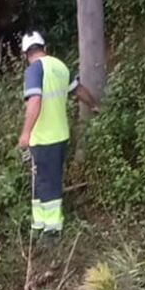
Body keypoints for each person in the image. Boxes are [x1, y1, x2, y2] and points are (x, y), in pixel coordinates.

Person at [17, 31, 99, 242]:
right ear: (44, 48)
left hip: (43, 138)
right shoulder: (60, 66)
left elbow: (35, 100)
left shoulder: (34, 70)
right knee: (41, 181)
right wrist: (94, 105)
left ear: (25, 54)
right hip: (60, 135)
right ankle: (39, 225)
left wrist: (25, 133)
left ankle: (52, 230)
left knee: (47, 183)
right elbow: (78, 90)